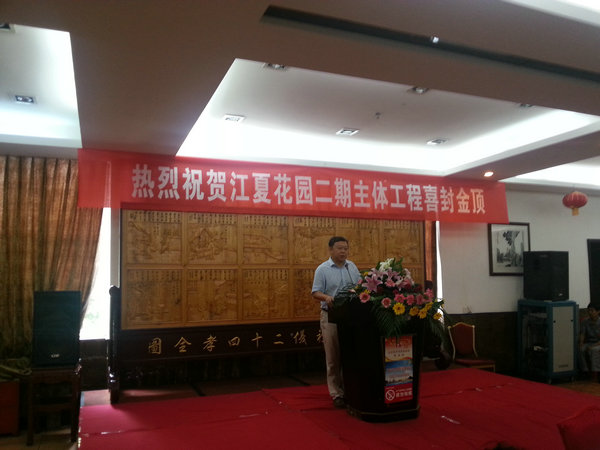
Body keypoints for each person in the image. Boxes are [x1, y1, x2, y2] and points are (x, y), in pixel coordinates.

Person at [311, 236, 361, 408]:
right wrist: (327, 297)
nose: (343, 252)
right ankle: (336, 393)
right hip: (331, 316)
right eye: (339, 248)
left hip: (351, 317)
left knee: (350, 354)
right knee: (333, 357)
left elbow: (360, 287)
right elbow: (315, 292)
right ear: (331, 250)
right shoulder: (322, 269)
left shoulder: (351, 267)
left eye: (345, 248)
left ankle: (351, 389)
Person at [579, 302, 600, 381]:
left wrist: (593, 346)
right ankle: (585, 371)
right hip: (589, 342)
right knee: (581, 349)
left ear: (598, 311)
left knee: (594, 350)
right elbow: (582, 334)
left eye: (592, 311)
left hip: (598, 343)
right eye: (589, 310)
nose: (590, 312)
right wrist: (581, 343)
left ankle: (595, 373)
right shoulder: (585, 321)